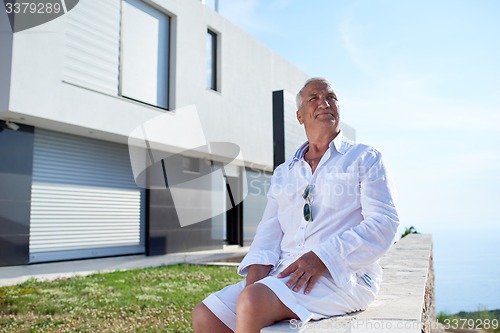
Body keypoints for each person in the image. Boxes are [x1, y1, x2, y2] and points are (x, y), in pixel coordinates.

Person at [192, 78, 399, 333]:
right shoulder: (284, 172)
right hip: (285, 272)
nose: (324, 103)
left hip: (342, 276)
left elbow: (384, 223)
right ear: (300, 116)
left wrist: (322, 257)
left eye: (331, 97)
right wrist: (254, 281)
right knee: (206, 315)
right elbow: (268, 233)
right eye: (314, 98)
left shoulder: (365, 158)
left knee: (253, 303)